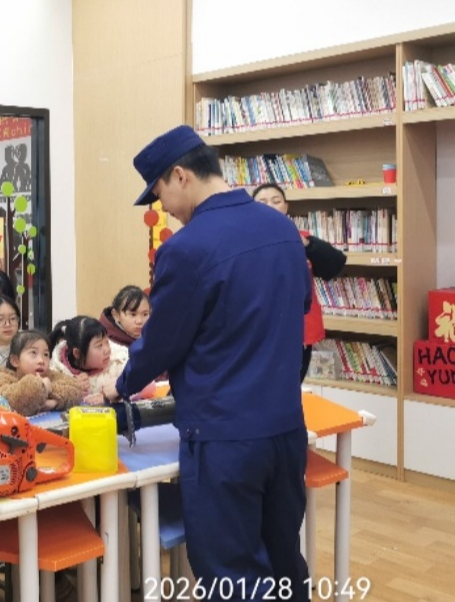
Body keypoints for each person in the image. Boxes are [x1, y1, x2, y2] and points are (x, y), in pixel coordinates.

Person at [103, 125, 311, 600]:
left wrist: (121, 383)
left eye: (160, 195)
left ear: (180, 176)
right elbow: (300, 304)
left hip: (225, 438)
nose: (165, 209)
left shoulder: (186, 249)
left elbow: (162, 342)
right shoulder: (281, 228)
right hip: (286, 431)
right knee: (284, 561)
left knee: (232, 576)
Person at [252, 183, 348, 382]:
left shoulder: (301, 239)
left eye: (276, 201)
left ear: (286, 207)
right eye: (262, 202)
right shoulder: (244, 242)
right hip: (260, 330)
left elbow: (335, 263)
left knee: (292, 385)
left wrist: (304, 244)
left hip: (298, 330)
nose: (270, 206)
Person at [49, 315, 155, 405]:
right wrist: (72, 389)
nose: (107, 350)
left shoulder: (117, 361)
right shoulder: (57, 370)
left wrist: (115, 392)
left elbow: (149, 383)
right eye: (99, 346)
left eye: (107, 342)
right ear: (77, 353)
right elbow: (46, 396)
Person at [0, 330, 84, 417]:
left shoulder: (49, 375)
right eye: (33, 353)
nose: (41, 360)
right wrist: (43, 387)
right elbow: (13, 401)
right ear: (15, 360)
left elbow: (75, 389)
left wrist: (55, 402)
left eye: (46, 354)